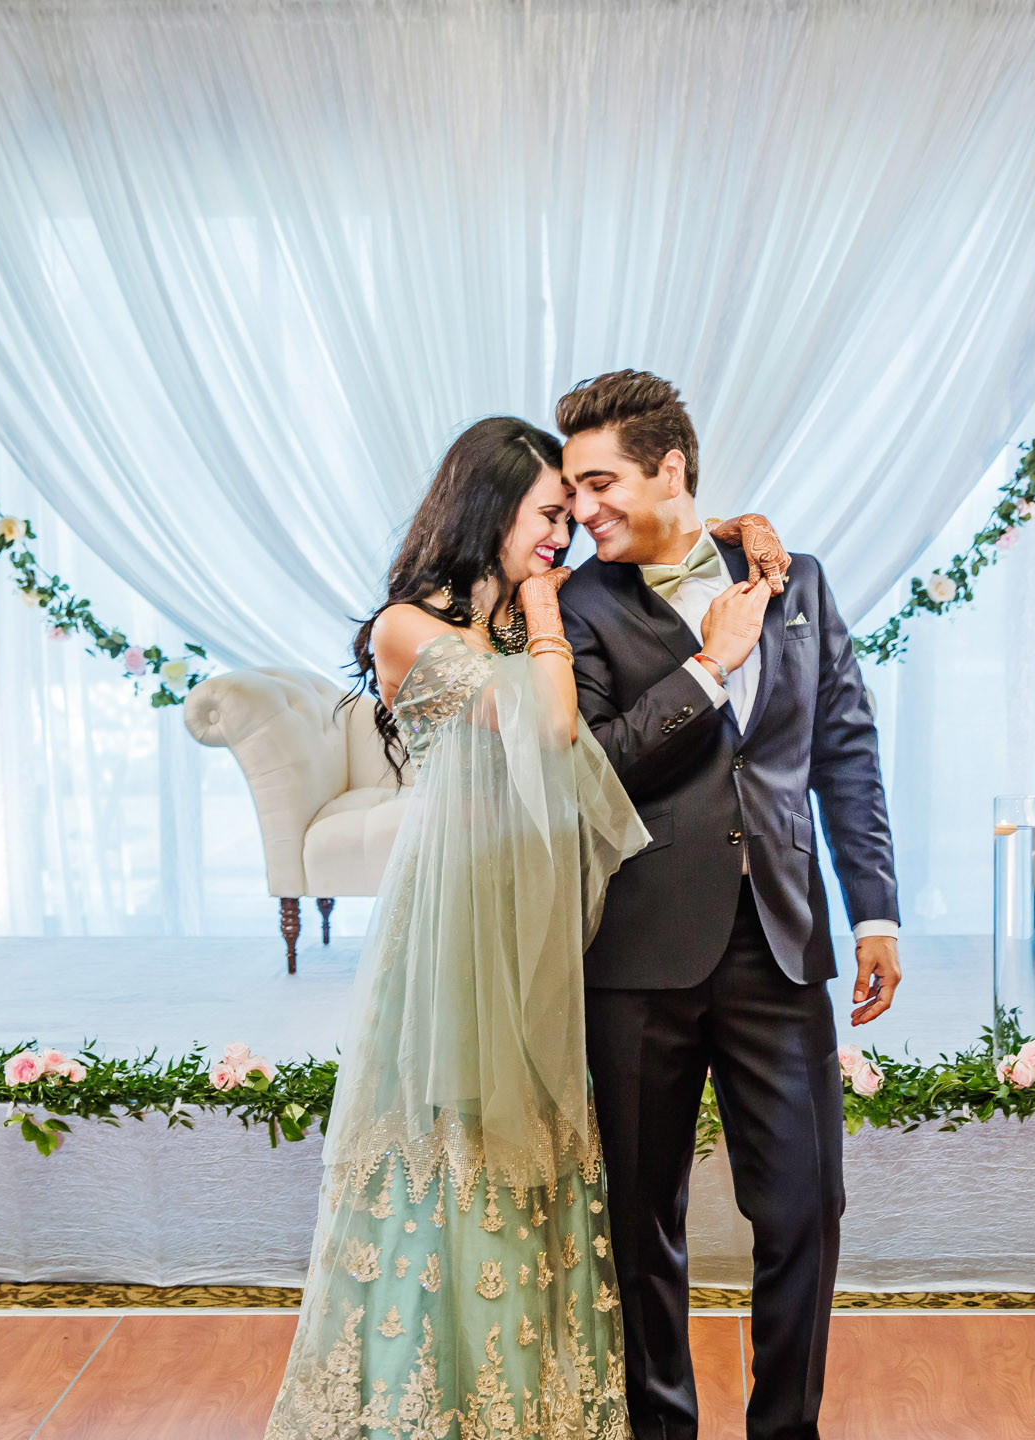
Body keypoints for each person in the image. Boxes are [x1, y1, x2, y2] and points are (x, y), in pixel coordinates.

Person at [264, 414, 789, 1437]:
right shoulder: (407, 627)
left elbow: (652, 545)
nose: (565, 533)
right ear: (488, 507)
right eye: (550, 514)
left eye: (568, 514)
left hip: (545, 911)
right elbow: (550, 730)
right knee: (461, 1138)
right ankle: (443, 1399)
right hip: (460, 914)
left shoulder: (514, 612)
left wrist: (742, 522)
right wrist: (545, 607)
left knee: (539, 1148)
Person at [555, 371, 901, 1440]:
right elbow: (596, 770)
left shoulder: (796, 579)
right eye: (571, 491)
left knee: (805, 1208)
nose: (583, 508)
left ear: (672, 469)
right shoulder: (572, 609)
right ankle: (662, 1429)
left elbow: (842, 744)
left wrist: (874, 910)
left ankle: (783, 1429)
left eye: (600, 481)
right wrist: (709, 663)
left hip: (783, 946)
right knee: (641, 1217)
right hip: (638, 954)